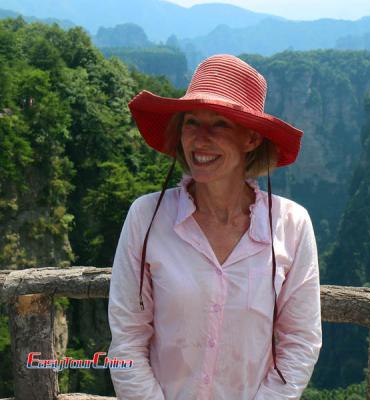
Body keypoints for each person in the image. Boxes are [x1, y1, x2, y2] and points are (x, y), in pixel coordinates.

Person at [107, 54, 322, 400]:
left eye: (219, 124)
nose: (200, 139)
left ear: (251, 139)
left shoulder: (292, 226)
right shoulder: (146, 217)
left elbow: (300, 341)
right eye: (191, 122)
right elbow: (127, 338)